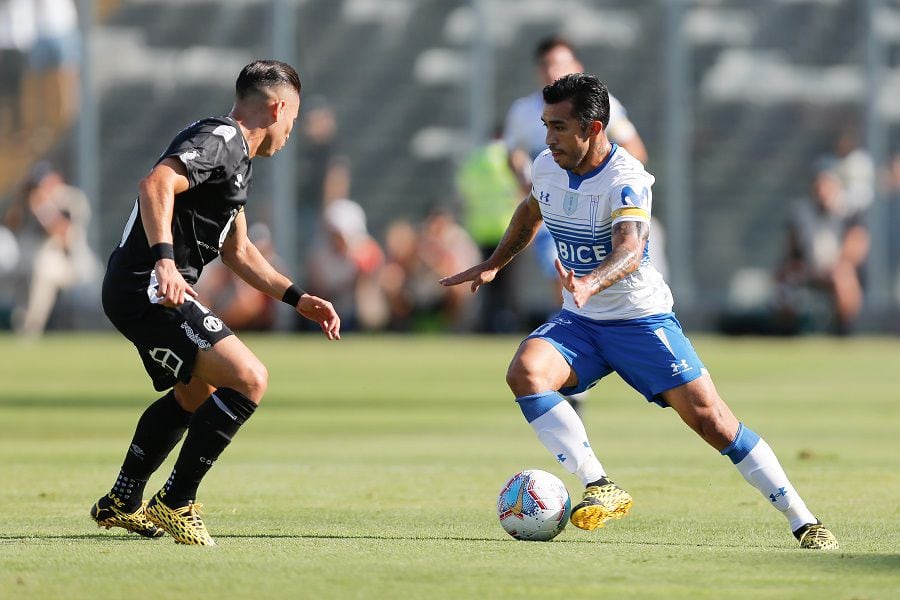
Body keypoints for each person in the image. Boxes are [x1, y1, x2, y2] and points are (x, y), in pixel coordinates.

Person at [441, 73, 838, 550]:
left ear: (593, 128)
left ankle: (804, 519)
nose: (547, 139)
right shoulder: (547, 165)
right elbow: (531, 211)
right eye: (546, 126)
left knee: (714, 422)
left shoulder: (627, 178)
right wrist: (494, 263)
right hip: (582, 322)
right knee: (525, 371)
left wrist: (589, 281)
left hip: (640, 320)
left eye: (559, 127)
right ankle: (599, 484)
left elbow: (631, 248)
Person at [89, 60, 341, 546]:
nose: (292, 129)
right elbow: (156, 183)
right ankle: (176, 502)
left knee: (195, 394)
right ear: (278, 107)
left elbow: (239, 251)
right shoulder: (221, 139)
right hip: (149, 283)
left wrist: (297, 297)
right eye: (294, 116)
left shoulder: (237, 160)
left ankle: (123, 499)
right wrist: (164, 260)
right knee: (250, 379)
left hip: (145, 286)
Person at [504, 36, 649, 413]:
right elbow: (512, 153)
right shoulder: (523, 112)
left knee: (617, 277)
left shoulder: (604, 104)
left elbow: (636, 151)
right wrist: (529, 182)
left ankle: (586, 356)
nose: (555, 71)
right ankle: (573, 364)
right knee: (562, 276)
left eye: (562, 63)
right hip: (554, 213)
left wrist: (616, 189)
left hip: (598, 212)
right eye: (549, 65)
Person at [3, 161, 99, 337]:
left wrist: (43, 209)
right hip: (39, 262)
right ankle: (25, 328)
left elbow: (64, 236)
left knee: (43, 270)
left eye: (46, 181)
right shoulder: (33, 199)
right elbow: (12, 223)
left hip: (77, 263)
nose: (43, 187)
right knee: (36, 269)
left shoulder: (71, 198)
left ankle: (29, 330)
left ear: (57, 179)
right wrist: (22, 199)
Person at [776, 160, 869, 334]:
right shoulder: (801, 213)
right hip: (809, 270)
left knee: (843, 277)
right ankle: (788, 332)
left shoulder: (850, 212)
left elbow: (857, 247)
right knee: (785, 283)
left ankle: (844, 331)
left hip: (836, 270)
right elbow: (791, 251)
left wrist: (837, 265)